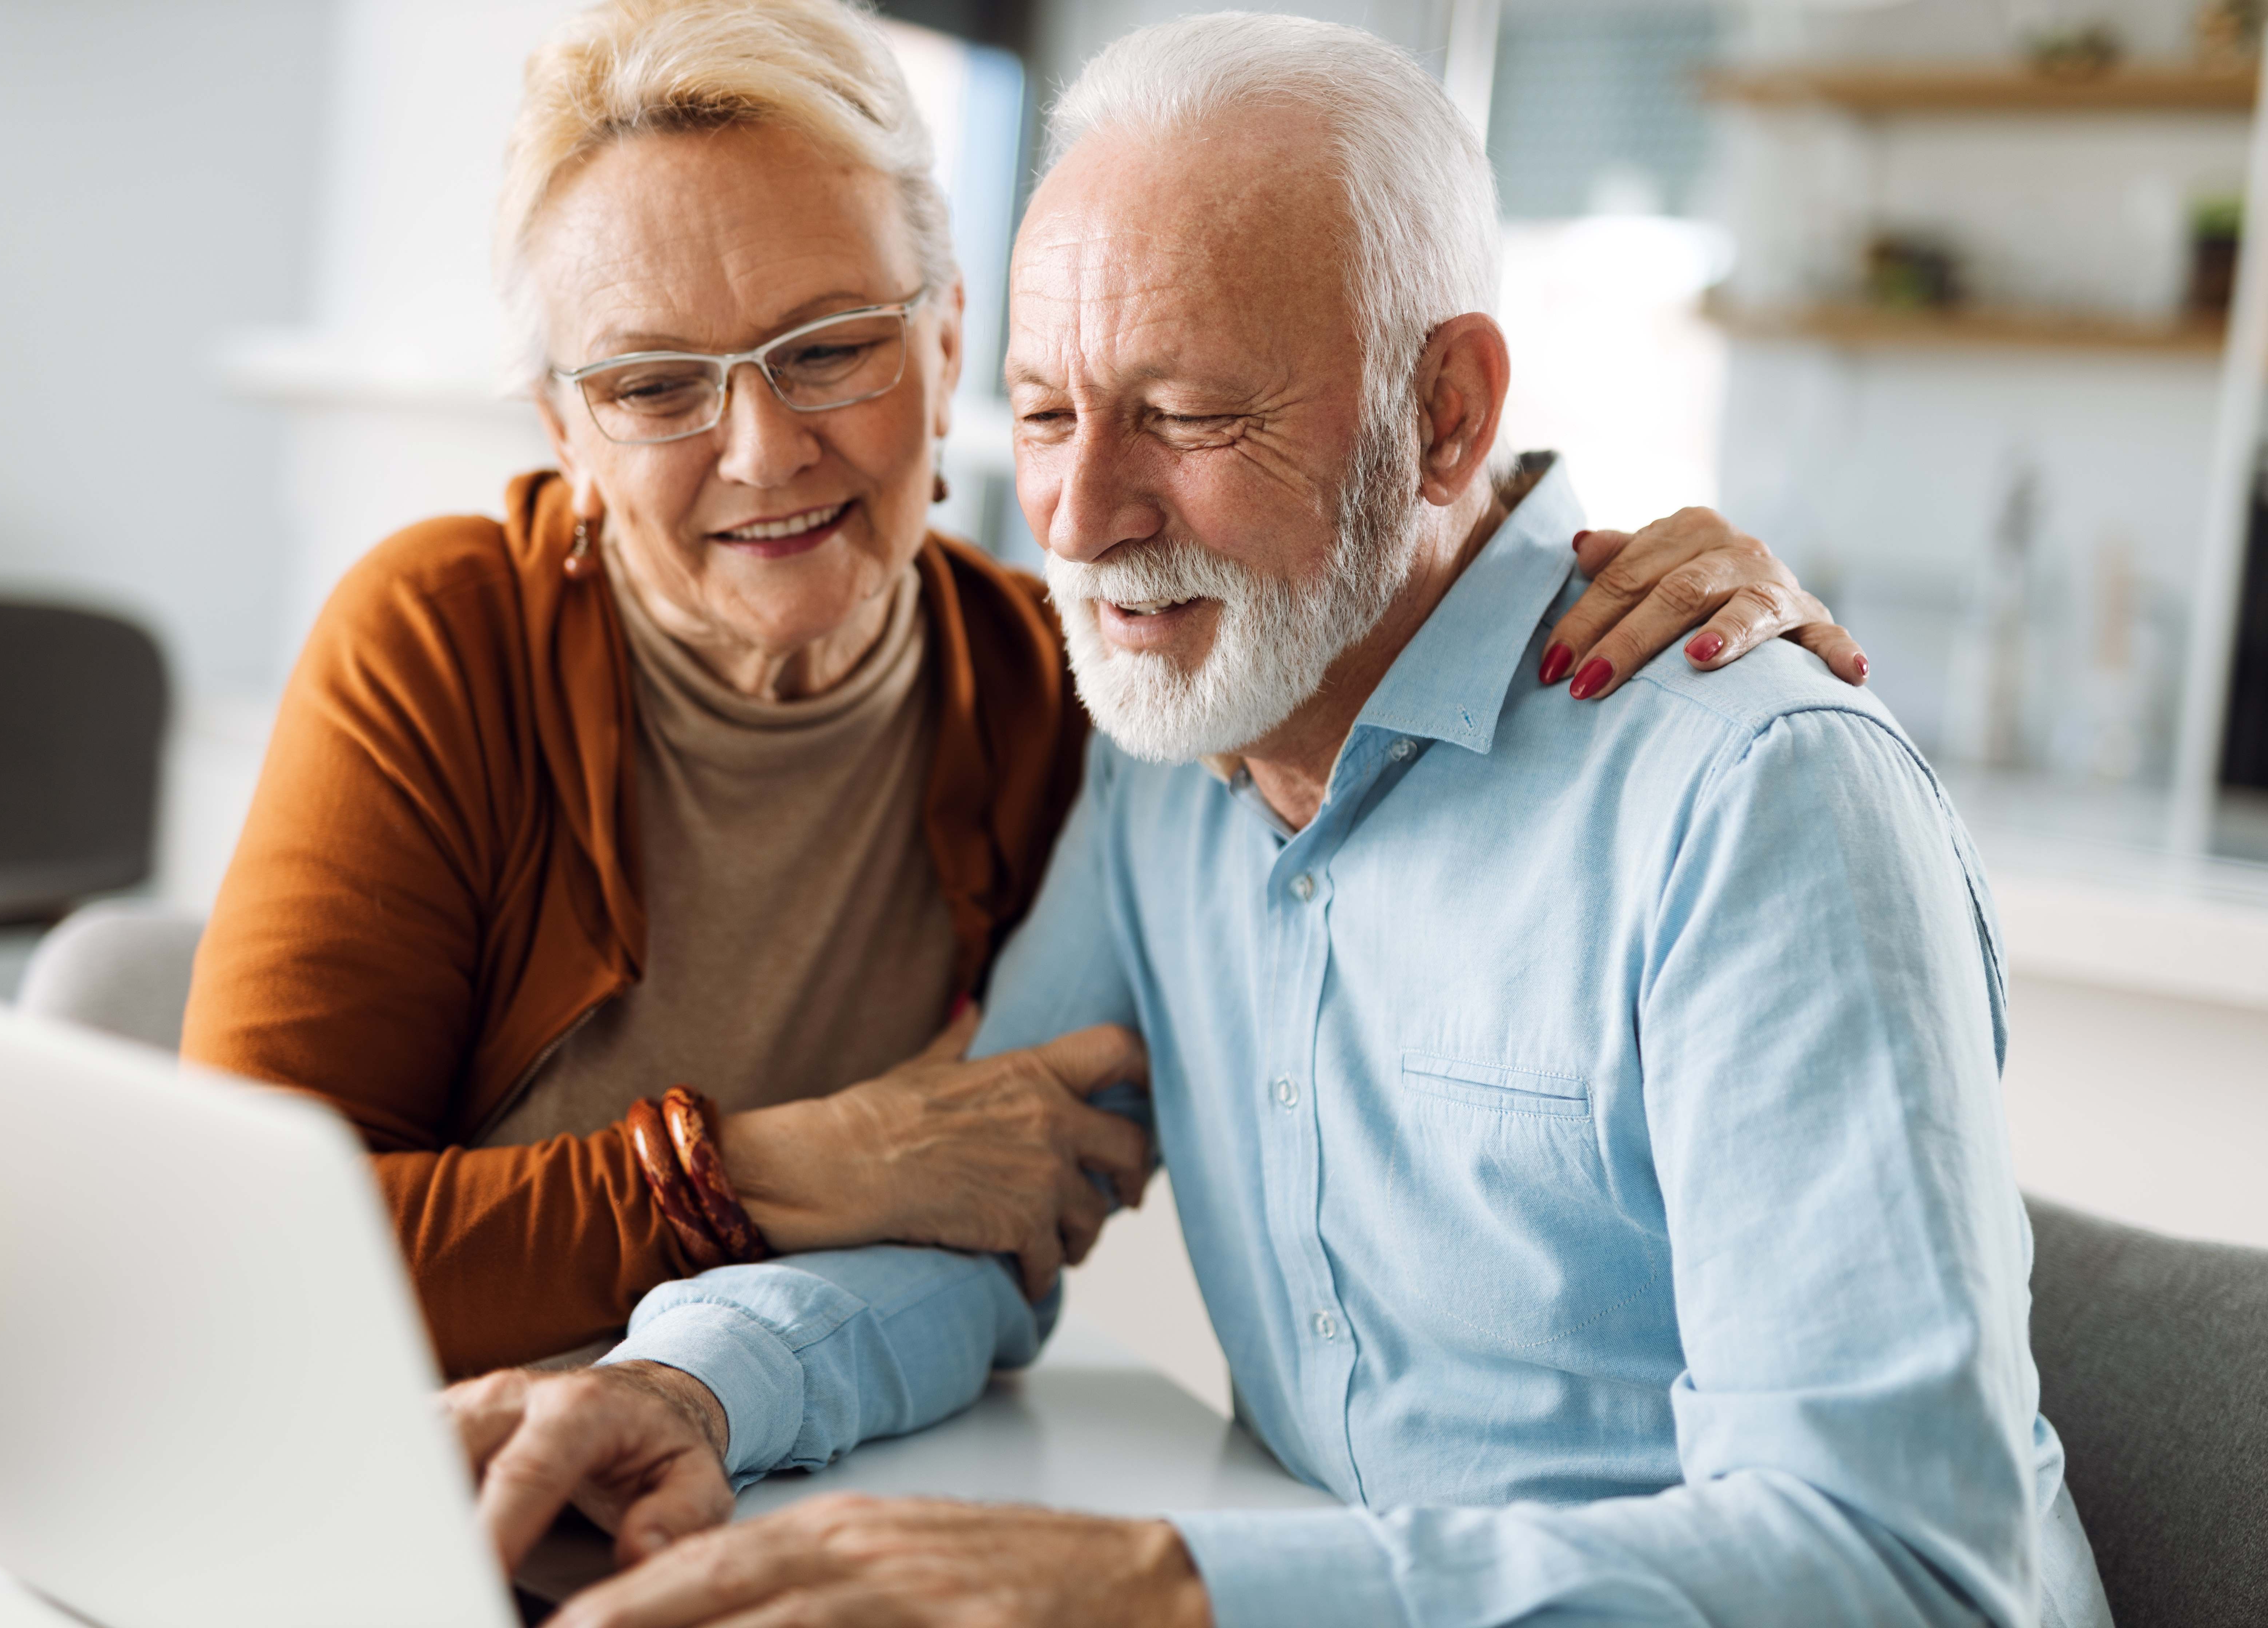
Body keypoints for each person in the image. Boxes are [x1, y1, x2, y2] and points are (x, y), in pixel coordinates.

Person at [441, 13, 2113, 1628]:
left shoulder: (1755, 797)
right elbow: (987, 1212)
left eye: (1186, 413)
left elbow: (1898, 1568)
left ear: (1443, 413)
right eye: (1043, 411)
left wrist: (1162, 1590)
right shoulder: (1176, 749)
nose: (1083, 518)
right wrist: (693, 1385)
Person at [185, 0, 1861, 1380]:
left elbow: (1344, 594)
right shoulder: (445, 638)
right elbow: (236, 1261)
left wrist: (1663, 575)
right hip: (404, 1463)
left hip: (763, 1475)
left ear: (943, 343)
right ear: (564, 429)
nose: (763, 449)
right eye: (653, 384)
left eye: (827, 346)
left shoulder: (1073, 688)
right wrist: (790, 1165)